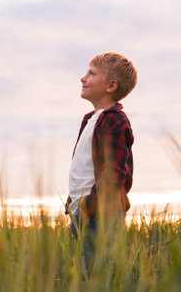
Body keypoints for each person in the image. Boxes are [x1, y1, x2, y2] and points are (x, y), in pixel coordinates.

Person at [65, 52, 137, 273]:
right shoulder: (91, 119)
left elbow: (113, 173)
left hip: (101, 211)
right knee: (85, 271)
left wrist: (88, 208)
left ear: (110, 86)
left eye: (91, 73)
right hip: (84, 208)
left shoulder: (113, 119)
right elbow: (85, 165)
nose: (83, 78)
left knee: (99, 273)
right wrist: (73, 201)